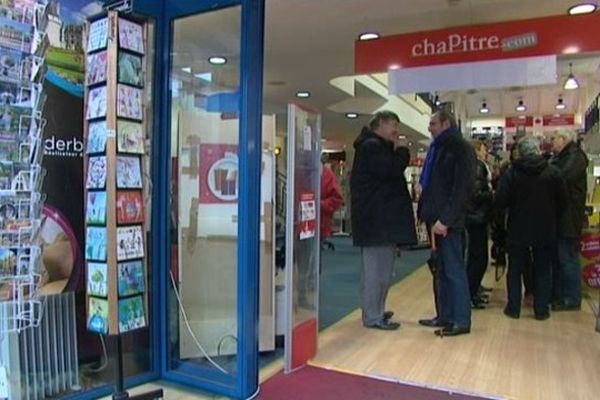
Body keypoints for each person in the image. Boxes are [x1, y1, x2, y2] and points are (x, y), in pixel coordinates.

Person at [350, 110, 417, 331]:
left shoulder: (374, 147)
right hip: (376, 223)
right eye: (392, 125)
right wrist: (402, 153)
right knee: (377, 272)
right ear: (379, 125)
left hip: (379, 223)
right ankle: (373, 315)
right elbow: (390, 170)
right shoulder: (371, 148)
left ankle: (376, 309)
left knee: (382, 272)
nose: (396, 131)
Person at [417, 109, 475, 337]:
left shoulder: (460, 149)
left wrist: (446, 219)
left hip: (447, 222)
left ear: (445, 123)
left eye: (433, 123)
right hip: (435, 219)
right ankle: (445, 315)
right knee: (440, 271)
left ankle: (460, 319)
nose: (429, 128)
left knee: (453, 270)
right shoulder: (437, 149)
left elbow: (462, 189)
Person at [495, 137, 567, 320]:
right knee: (543, 269)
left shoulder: (512, 173)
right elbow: (563, 202)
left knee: (515, 269)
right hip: (545, 227)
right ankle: (541, 310)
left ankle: (513, 308)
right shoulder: (553, 172)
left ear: (521, 152)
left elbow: (501, 200)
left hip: (517, 227)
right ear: (538, 150)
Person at [550, 129, 588, 311]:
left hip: (569, 217)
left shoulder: (575, 158)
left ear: (564, 139)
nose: (552, 141)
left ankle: (572, 298)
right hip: (563, 216)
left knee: (568, 258)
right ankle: (562, 294)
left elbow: (561, 178)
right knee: (561, 258)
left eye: (554, 138)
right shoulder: (564, 157)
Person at [466, 140, 493, 309]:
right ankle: (471, 293)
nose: (486, 152)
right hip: (476, 218)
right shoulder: (476, 167)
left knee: (478, 258)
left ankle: (473, 291)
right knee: (478, 258)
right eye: (484, 149)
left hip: (477, 217)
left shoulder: (477, 166)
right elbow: (475, 194)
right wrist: (491, 195)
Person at [320, 158, 343, 250]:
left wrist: (321, 204)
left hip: (320, 222)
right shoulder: (298, 172)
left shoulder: (326, 174)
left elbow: (337, 198)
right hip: (299, 224)